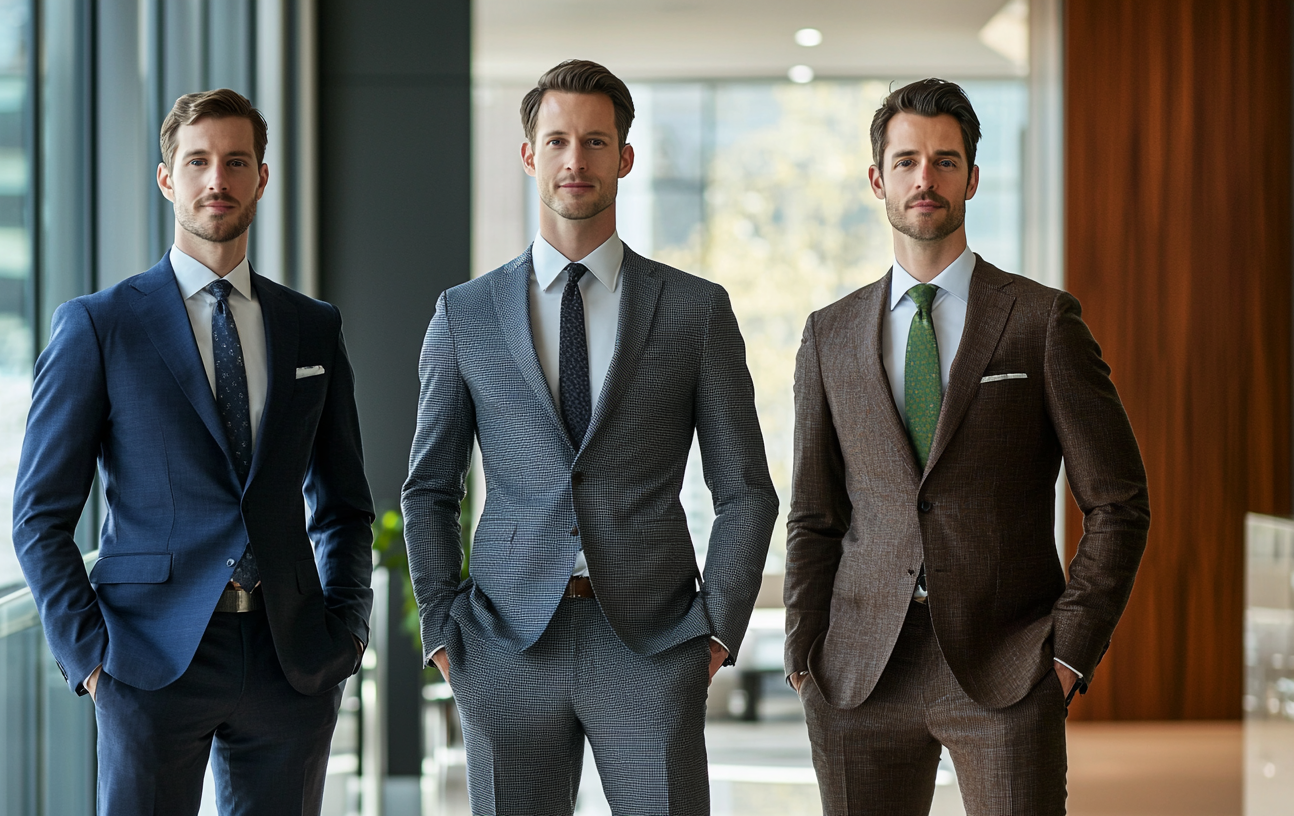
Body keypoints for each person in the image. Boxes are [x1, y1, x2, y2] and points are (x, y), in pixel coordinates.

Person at [402, 59, 778, 816]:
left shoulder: (695, 311)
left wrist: (713, 635)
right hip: (505, 646)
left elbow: (744, 490)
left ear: (625, 158)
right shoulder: (464, 314)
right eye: (559, 141)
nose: (576, 160)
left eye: (596, 142)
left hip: (653, 643)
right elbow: (430, 488)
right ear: (529, 155)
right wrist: (445, 632)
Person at [783, 78, 1150, 816]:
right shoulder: (829, 334)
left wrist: (1068, 651)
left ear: (973, 178)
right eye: (908, 160)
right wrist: (804, 654)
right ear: (877, 178)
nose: (926, 178)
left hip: (1008, 665)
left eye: (946, 161)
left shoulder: (1041, 321)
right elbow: (814, 515)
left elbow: (1118, 503)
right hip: (859, 672)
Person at [12, 88, 373, 815]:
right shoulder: (99, 326)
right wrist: (91, 658)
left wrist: (346, 631)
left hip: (291, 659)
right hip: (147, 659)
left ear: (261, 178)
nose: (219, 180)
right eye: (199, 161)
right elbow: (39, 516)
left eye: (237, 161)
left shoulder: (312, 327)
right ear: (167, 178)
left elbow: (342, 504)